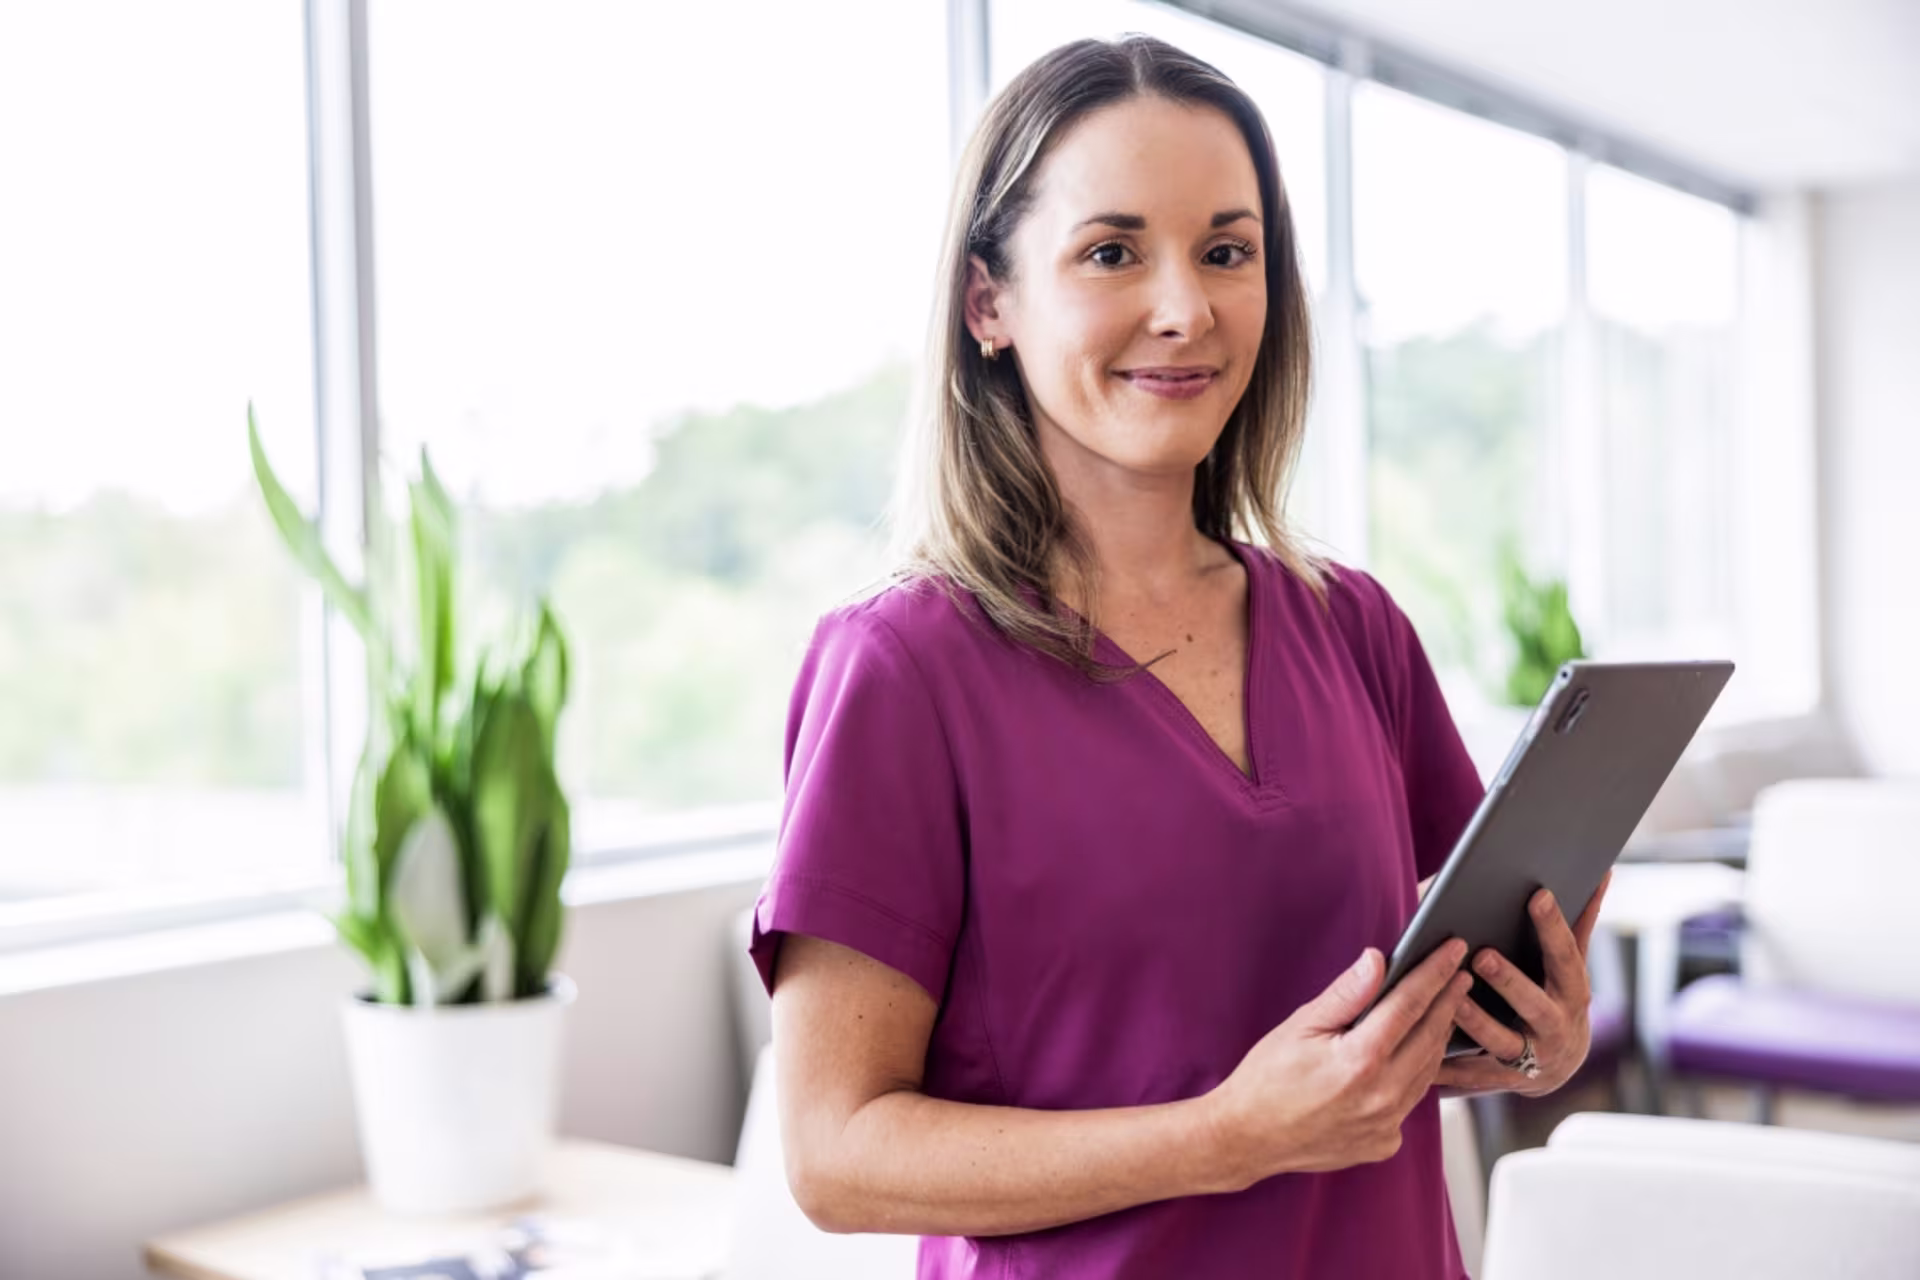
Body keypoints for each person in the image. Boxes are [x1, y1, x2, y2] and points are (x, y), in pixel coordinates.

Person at [745, 33, 1609, 1279]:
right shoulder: (904, 669)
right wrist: (1223, 1137)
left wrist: (1539, 1038)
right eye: (1111, 252)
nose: (1184, 308)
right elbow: (835, 1153)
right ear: (989, 301)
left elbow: (1457, 1007)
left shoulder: (1354, 627)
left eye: (1226, 250)